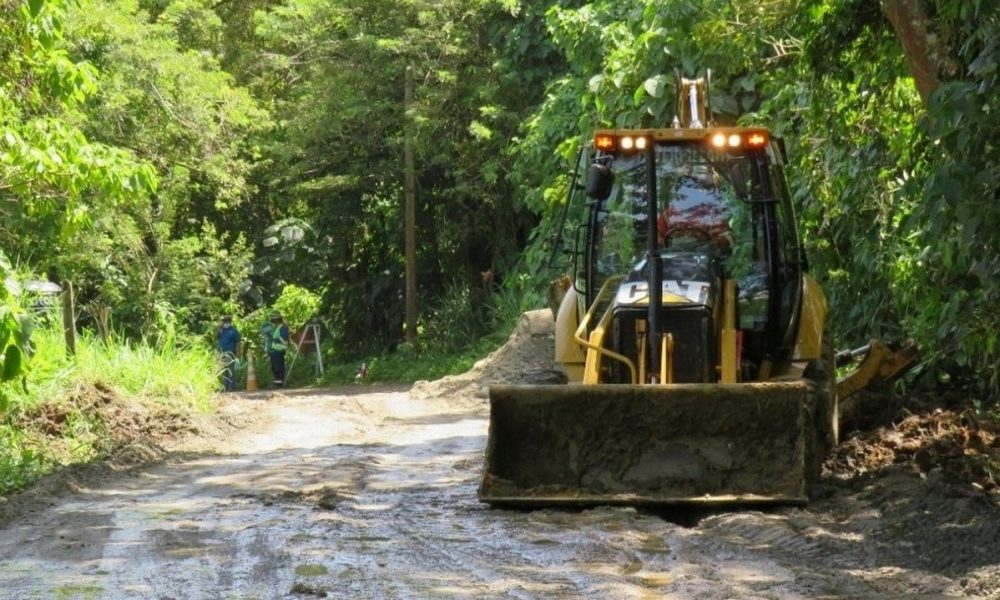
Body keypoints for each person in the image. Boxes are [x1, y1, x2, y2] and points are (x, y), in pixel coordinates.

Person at [216, 316, 241, 392]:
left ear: (229, 322)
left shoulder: (233, 331)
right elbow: (215, 336)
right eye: (224, 321)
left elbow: (238, 342)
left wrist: (238, 352)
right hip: (221, 352)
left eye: (226, 321)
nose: (225, 323)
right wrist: (219, 326)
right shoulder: (221, 330)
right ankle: (225, 386)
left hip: (230, 352)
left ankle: (231, 386)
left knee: (230, 370)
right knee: (223, 370)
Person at [267, 312, 290, 388]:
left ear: (277, 320)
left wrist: (275, 339)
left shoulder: (283, 327)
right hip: (274, 350)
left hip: (279, 350)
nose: (273, 323)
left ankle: (279, 384)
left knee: (278, 367)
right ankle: (276, 383)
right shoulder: (277, 328)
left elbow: (284, 339)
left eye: (274, 321)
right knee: (274, 367)